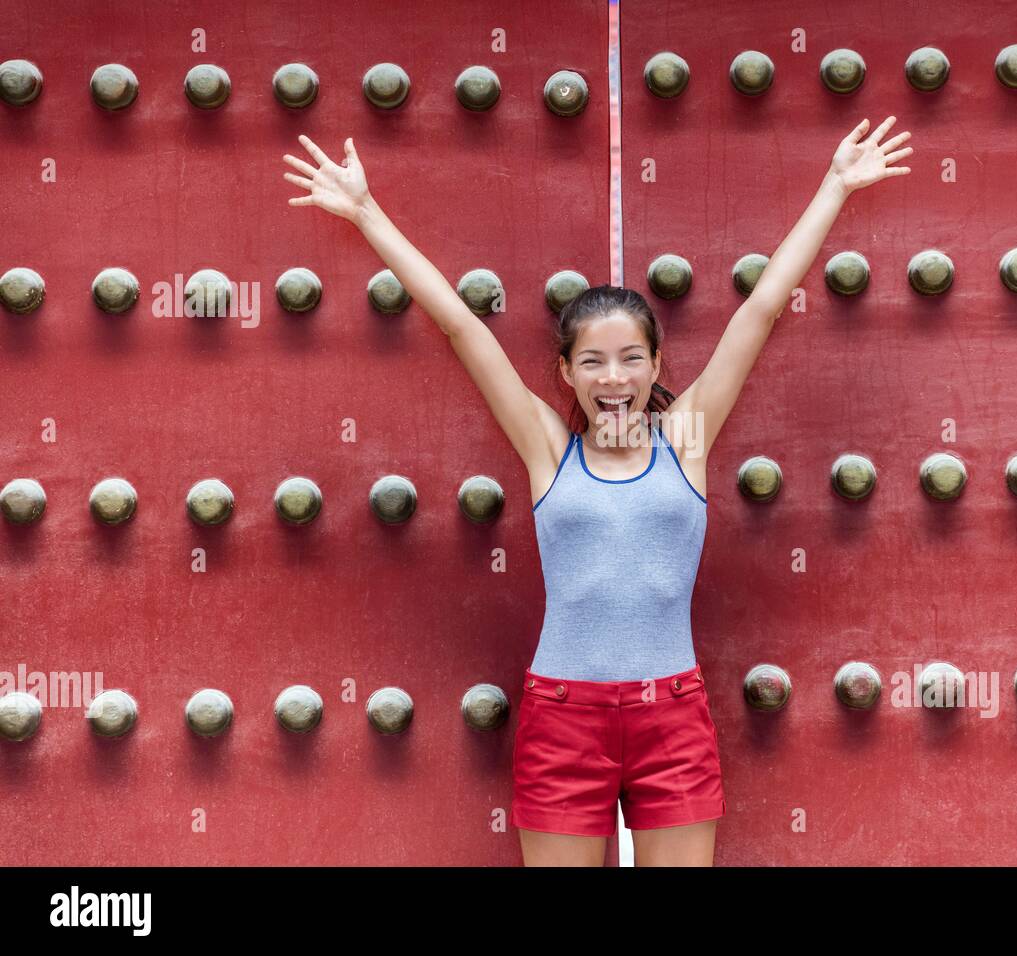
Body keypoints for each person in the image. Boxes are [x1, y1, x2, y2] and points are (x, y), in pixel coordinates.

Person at [282, 116, 912, 866]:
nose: (612, 377)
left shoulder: (686, 439)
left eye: (629, 359)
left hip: (670, 717)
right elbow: (459, 326)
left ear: (653, 366)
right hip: (562, 717)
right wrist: (365, 212)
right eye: (593, 362)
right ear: (568, 374)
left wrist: (835, 187)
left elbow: (762, 308)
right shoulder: (549, 448)